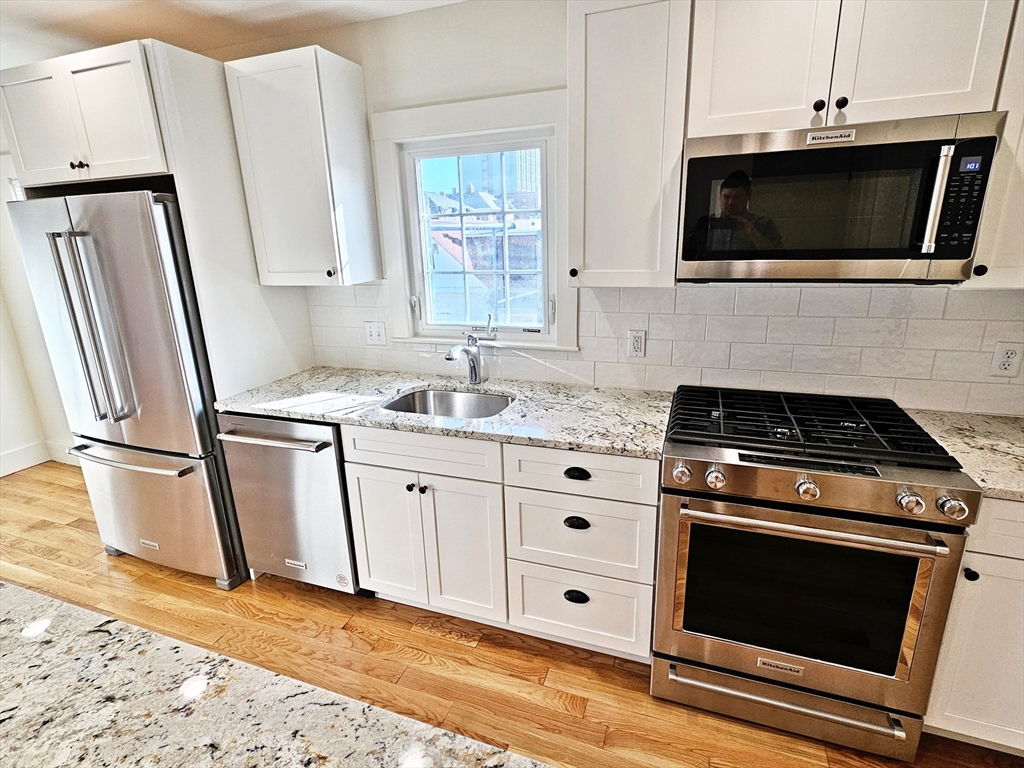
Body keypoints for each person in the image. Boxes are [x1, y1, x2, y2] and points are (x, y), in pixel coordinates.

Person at [684, 170, 782, 256]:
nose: (731, 202)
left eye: (737, 197)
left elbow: (778, 259)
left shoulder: (763, 224)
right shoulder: (706, 224)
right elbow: (685, 257)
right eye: (726, 197)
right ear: (720, 196)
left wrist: (752, 232)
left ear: (749, 196)